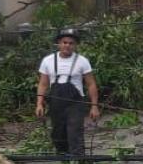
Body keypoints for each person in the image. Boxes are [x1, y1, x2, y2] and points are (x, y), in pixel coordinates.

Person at [35, 28, 100, 156]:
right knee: (58, 134)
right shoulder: (47, 61)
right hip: (56, 103)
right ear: (59, 43)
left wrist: (94, 106)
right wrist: (39, 104)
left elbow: (91, 84)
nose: (67, 45)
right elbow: (43, 84)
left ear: (75, 45)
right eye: (65, 42)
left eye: (71, 43)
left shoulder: (82, 61)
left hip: (75, 104)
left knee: (75, 133)